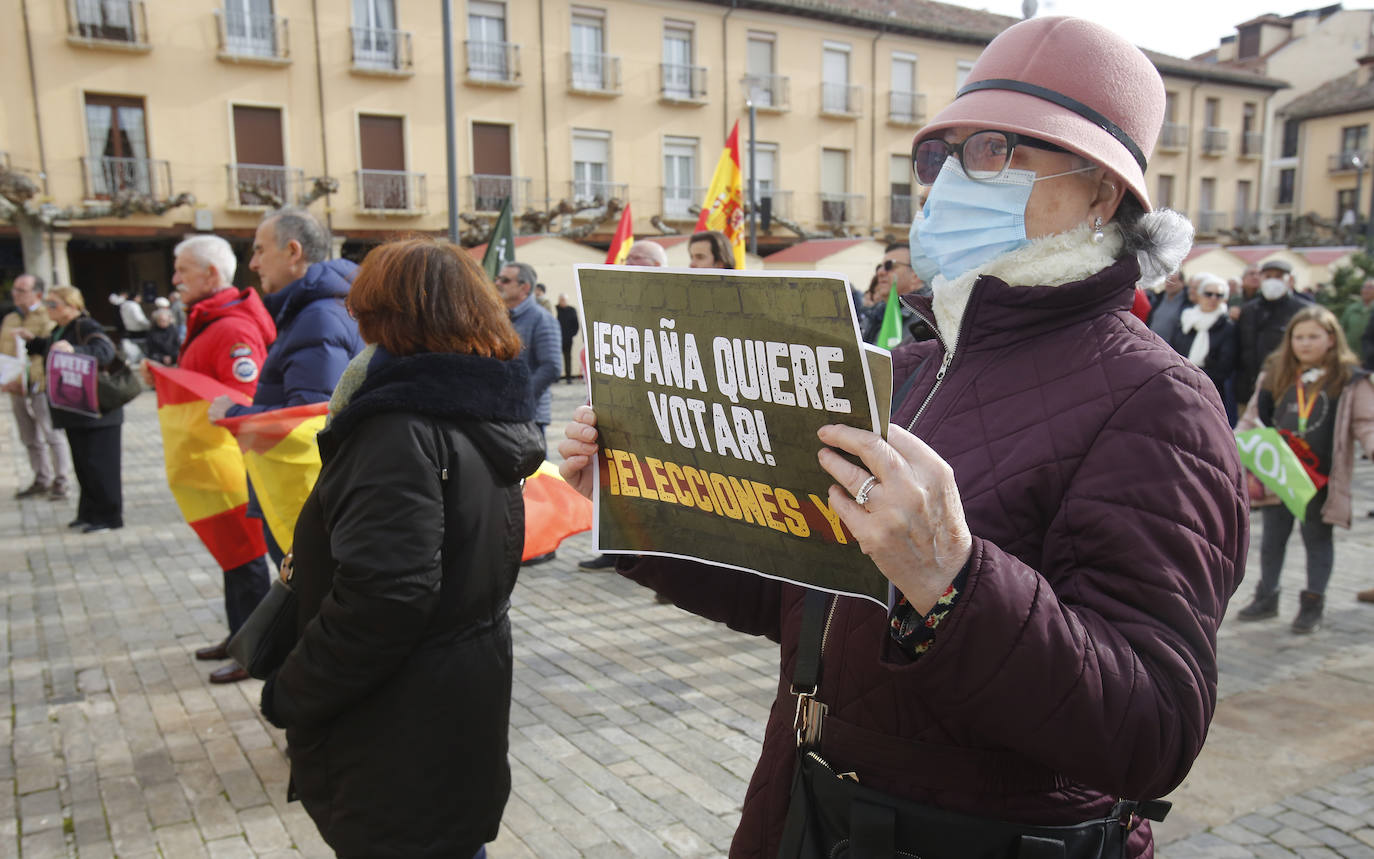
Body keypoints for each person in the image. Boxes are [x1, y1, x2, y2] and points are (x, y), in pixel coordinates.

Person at [561, 17, 1245, 859]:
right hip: (811, 811)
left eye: (1000, 149)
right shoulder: (908, 365)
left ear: (1103, 191)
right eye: (945, 154)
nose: (956, 179)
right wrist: (638, 506)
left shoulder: (1160, 401)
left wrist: (954, 581)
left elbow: (1153, 730)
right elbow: (799, 600)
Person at [258, 237, 544, 859]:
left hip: (398, 710)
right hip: (455, 688)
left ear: (384, 316)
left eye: (362, 310)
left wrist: (292, 689)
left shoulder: (397, 427)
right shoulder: (479, 407)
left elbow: (385, 596)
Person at [209, 207, 364, 567]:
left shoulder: (317, 317)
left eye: (260, 250)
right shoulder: (324, 309)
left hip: (306, 501)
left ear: (293, 252)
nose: (253, 263)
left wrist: (233, 414)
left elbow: (310, 421)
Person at [164, 235, 278, 685]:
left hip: (232, 461)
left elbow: (243, 397)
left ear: (211, 275)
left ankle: (254, 652)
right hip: (214, 460)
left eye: (181, 270)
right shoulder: (209, 320)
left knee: (247, 558)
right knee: (232, 554)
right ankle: (239, 636)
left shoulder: (231, 329)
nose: (174, 280)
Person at [1235, 306, 1374, 631]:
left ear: (1331, 339)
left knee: (1316, 540)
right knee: (1272, 540)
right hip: (1279, 475)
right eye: (1298, 337)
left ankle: (1312, 602)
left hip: (1320, 481)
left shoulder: (1350, 381)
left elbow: (1367, 423)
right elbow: (1252, 418)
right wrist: (1231, 444)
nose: (1305, 343)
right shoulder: (1275, 374)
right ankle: (1266, 596)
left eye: (1313, 336)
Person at [21, 287, 127, 533]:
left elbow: (104, 352)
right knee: (84, 465)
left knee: (101, 466)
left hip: (98, 411)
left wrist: (75, 350)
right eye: (47, 304)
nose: (49, 309)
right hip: (76, 409)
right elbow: (48, 349)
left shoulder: (85, 325)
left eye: (54, 304)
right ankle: (89, 513)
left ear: (72, 306)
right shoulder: (60, 329)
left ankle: (110, 516)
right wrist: (31, 341)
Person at [2, 274, 72, 500]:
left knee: (52, 434)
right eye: (15, 289)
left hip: (41, 384)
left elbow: (50, 350)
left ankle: (61, 480)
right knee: (29, 437)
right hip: (15, 385)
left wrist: (31, 339)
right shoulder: (10, 318)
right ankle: (41, 478)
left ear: (37, 294)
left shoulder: (47, 316)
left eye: (21, 290)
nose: (15, 294)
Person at [1236, 259, 1307, 412]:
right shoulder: (1248, 310)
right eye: (1268, 276)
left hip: (1288, 390)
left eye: (1278, 276)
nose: (1272, 281)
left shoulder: (1302, 311)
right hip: (1249, 389)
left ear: (1290, 281)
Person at [1171, 272, 1237, 417]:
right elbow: (1174, 350)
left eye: (1219, 295)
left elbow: (1225, 365)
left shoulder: (1227, 326)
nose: (1213, 298)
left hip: (1210, 390)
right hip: (1179, 384)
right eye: (1208, 294)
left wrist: (1195, 376)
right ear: (1199, 296)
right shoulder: (1186, 320)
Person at [861, 242, 935, 345]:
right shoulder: (875, 315)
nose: (880, 272)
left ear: (916, 274)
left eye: (889, 265)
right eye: (879, 267)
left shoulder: (929, 316)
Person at [1147, 270, 1190, 343]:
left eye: (1172, 281)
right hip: (1151, 344)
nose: (1169, 284)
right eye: (1167, 281)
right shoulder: (1159, 298)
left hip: (1170, 349)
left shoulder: (1187, 302)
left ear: (1182, 283)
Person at [1339, 278, 1374, 352]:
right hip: (1351, 353)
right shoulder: (1352, 309)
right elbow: (1341, 328)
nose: (1366, 290)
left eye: (1370, 287)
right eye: (1364, 287)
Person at [555, 294, 579, 383]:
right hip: (557, 338)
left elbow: (575, 324)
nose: (562, 302)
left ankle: (568, 377)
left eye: (564, 300)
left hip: (568, 339)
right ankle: (556, 376)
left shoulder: (571, 310)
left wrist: (572, 334)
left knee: (568, 357)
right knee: (557, 358)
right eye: (561, 300)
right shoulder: (555, 309)